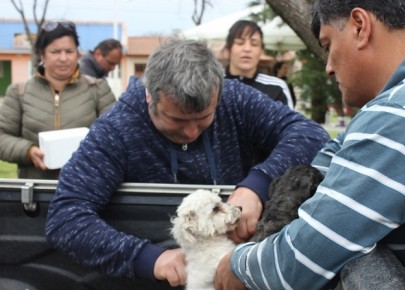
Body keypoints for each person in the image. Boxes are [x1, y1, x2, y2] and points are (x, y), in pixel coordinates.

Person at [215, 0, 405, 289]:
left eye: (328, 46)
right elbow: (339, 151)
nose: (328, 67)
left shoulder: (403, 116)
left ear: (359, 26)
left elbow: (298, 263)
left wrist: (235, 264)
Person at [45, 38, 330, 287]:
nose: (192, 131)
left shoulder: (232, 98)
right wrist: (148, 258)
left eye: (204, 118)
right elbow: (66, 217)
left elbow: (310, 134)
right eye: (178, 120)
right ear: (149, 95)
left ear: (218, 93)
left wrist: (257, 184)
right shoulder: (117, 130)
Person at [0, 20, 116, 179]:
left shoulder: (97, 89)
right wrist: (28, 151)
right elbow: (2, 137)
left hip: (86, 188)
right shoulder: (19, 92)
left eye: (69, 51)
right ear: (42, 54)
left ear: (78, 53)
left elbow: (116, 135)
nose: (63, 58)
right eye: (55, 51)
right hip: (36, 193)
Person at [224, 20, 295, 109]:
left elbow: (290, 122)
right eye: (240, 43)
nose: (247, 49)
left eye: (254, 44)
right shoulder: (212, 84)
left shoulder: (277, 88)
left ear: (261, 50)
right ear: (228, 49)